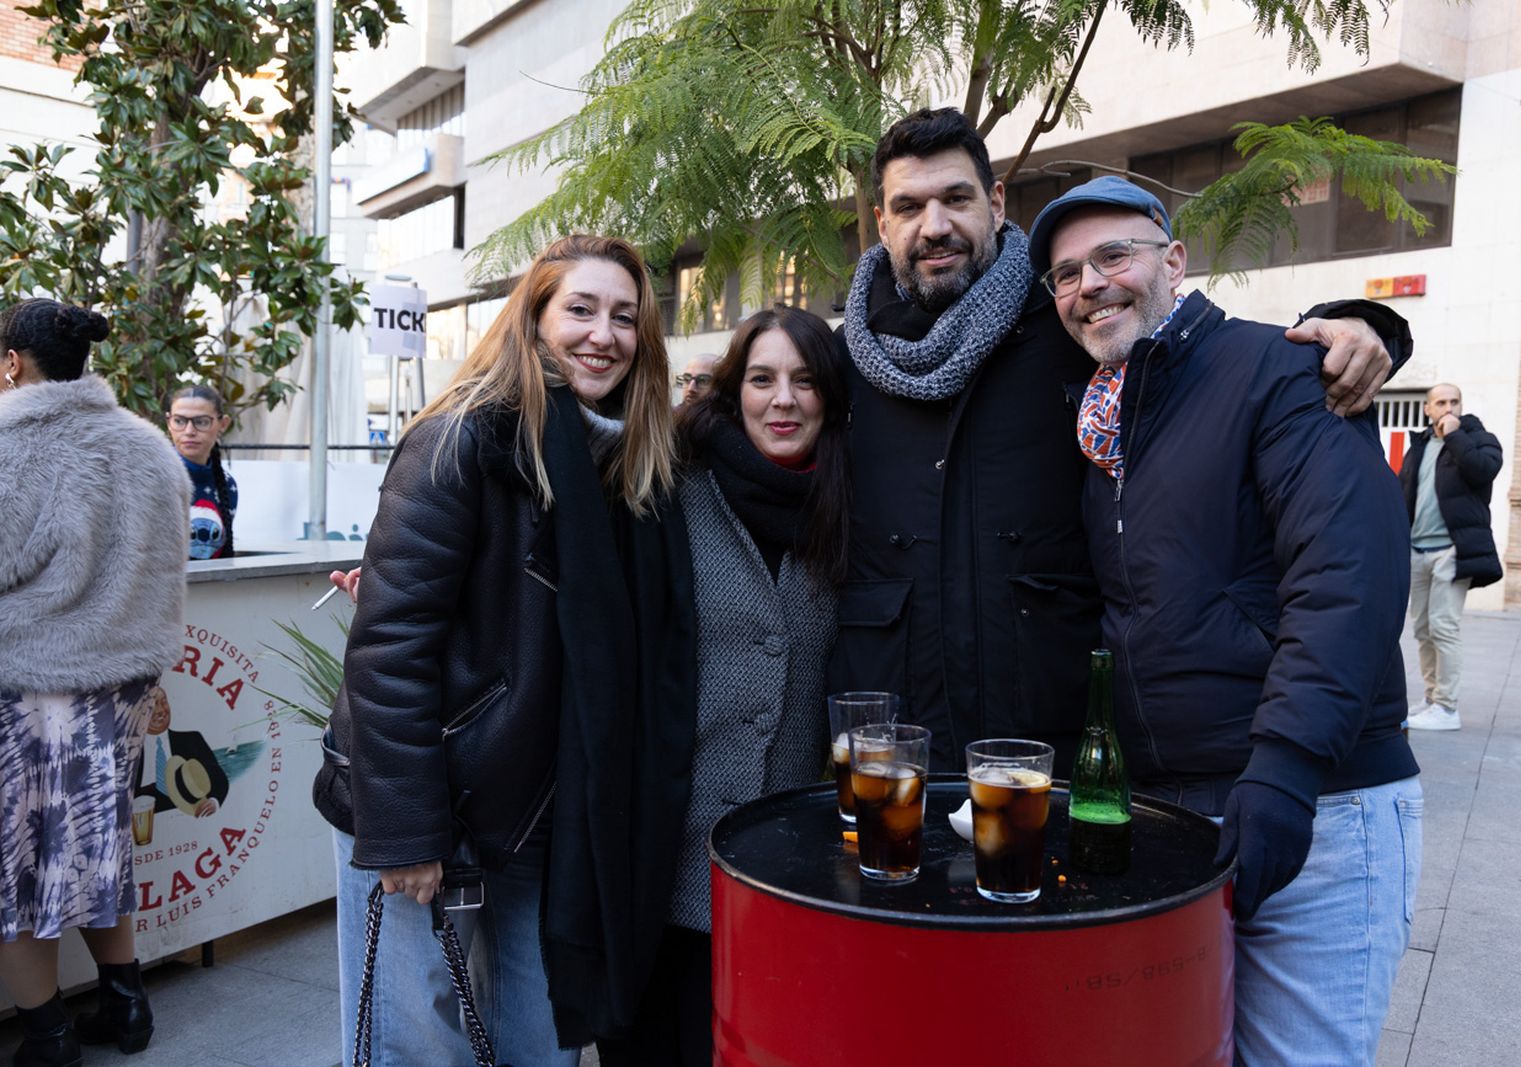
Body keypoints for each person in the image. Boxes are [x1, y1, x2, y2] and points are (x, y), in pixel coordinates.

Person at [828, 106, 1411, 771]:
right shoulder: (846, 364)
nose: (935, 226)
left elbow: (1205, 358)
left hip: (1059, 765)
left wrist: (1351, 326)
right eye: (909, 206)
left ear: (994, 203)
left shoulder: (1078, 328)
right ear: (882, 223)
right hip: (899, 761)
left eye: (956, 198)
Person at [1030, 176, 1422, 1066]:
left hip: (1319, 803)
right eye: (1063, 274)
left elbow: (1345, 581)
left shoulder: (1281, 369)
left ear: (1173, 261)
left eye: (1112, 255)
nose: (1088, 283)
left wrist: (1284, 767)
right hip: (1172, 814)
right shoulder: (1100, 423)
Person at [312, 234, 689, 1064]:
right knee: (414, 1043)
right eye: (580, 309)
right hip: (436, 798)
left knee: (540, 1039)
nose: (604, 334)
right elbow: (389, 647)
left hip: (547, 813)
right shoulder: (460, 440)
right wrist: (409, 830)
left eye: (625, 317)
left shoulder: (625, 463)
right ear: (533, 320)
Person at [598, 307, 849, 1066]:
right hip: (666, 861)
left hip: (792, 871)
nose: (784, 399)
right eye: (763, 378)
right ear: (733, 390)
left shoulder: (852, 504)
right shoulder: (672, 487)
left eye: (805, 380)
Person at [0, 298, 189, 1066]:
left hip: (26, 695)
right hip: (118, 695)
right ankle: (127, 1006)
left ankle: (48, 1036)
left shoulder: (9, 450)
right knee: (97, 849)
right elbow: (168, 572)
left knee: (18, 872)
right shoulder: (150, 448)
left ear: (13, 361)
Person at [1398, 383, 1503, 731]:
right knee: (1423, 629)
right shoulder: (1419, 445)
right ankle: (1431, 699)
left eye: (1454, 401)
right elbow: (1404, 494)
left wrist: (1456, 436)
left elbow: (1483, 470)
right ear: (1427, 409)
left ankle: (1447, 707)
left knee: (1444, 626)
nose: (1448, 407)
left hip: (1451, 550)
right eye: (1440, 402)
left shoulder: (1478, 439)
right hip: (1417, 550)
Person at [164, 383, 237, 560]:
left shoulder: (227, 484)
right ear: (168, 422)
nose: (189, 431)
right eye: (179, 421)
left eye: (202, 422)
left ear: (223, 424)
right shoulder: (149, 477)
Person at [133, 686, 227, 817]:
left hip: (189, 814)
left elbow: (217, 775)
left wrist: (213, 801)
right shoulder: (128, 751)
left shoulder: (192, 740)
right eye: (153, 705)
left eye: (164, 702)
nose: (160, 710)